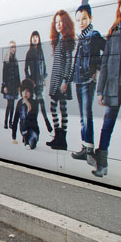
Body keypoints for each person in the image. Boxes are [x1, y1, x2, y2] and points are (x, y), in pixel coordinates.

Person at [70, 0, 106, 164]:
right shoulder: (81, 37)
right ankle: (86, 147)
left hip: (86, 81)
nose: (81, 22)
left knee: (86, 115)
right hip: (79, 80)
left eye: (84, 18)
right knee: (83, 117)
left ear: (90, 18)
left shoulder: (93, 35)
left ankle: (89, 149)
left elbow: (107, 51)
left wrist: (96, 69)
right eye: (78, 20)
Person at [93, 0, 121, 177]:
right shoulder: (113, 33)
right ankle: (102, 165)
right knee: (107, 126)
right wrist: (100, 91)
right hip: (114, 88)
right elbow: (104, 64)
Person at [47, 10, 75, 150]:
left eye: (60, 21)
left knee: (62, 108)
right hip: (55, 79)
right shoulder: (58, 40)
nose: (58, 24)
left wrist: (66, 81)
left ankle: (62, 139)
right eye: (56, 22)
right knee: (54, 108)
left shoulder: (66, 40)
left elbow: (69, 62)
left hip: (61, 80)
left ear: (65, 23)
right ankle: (58, 137)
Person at [24, 31, 53, 133]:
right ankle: (33, 124)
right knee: (34, 105)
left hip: (40, 83)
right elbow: (25, 69)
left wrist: (44, 77)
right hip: (33, 84)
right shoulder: (29, 53)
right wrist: (30, 80)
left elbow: (44, 66)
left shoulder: (41, 52)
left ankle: (46, 122)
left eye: (36, 37)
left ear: (39, 39)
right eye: (33, 37)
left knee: (41, 103)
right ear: (31, 40)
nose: (35, 39)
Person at [11, 79, 40, 149]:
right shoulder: (19, 103)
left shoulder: (35, 103)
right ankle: (26, 138)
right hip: (24, 129)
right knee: (27, 141)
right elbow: (15, 120)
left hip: (33, 129)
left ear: (31, 92)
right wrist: (14, 136)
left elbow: (33, 120)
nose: (25, 93)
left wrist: (29, 106)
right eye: (23, 91)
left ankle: (31, 139)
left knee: (32, 142)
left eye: (28, 91)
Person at [2, 41, 20, 129]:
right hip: (8, 85)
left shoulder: (16, 60)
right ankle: (6, 122)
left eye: (15, 47)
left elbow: (18, 75)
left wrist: (19, 86)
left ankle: (10, 122)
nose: (13, 49)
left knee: (13, 105)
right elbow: (4, 74)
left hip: (14, 86)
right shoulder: (6, 60)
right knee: (9, 104)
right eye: (12, 47)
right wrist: (4, 85)